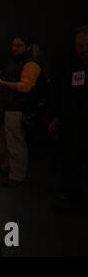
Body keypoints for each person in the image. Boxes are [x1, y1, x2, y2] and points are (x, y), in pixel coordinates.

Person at [0, 35, 45, 187]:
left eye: (19, 45)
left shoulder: (31, 64)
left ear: (28, 47)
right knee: (6, 142)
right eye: (13, 45)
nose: (15, 48)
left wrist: (1, 83)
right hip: (8, 107)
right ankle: (8, 168)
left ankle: (17, 176)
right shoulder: (15, 61)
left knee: (16, 144)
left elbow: (26, 87)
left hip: (19, 108)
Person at [48, 26, 88, 211]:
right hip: (72, 124)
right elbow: (62, 93)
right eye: (80, 46)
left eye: (86, 45)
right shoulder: (71, 65)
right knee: (71, 163)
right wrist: (57, 116)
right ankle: (70, 197)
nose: (83, 49)